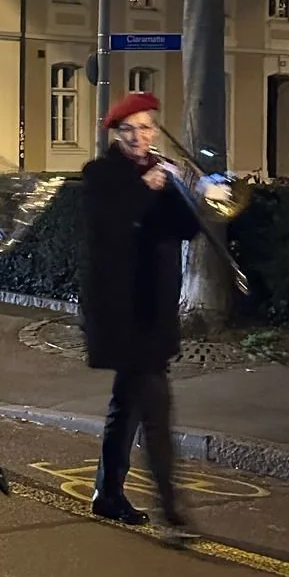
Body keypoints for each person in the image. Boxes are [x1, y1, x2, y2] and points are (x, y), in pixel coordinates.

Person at [79, 91, 202, 537]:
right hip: (122, 312)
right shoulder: (100, 175)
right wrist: (141, 190)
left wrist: (191, 192)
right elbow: (109, 230)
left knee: (127, 405)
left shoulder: (161, 173)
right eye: (130, 129)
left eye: (147, 127)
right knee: (155, 408)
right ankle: (172, 507)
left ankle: (108, 492)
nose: (140, 137)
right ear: (116, 134)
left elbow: (186, 230)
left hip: (156, 309)